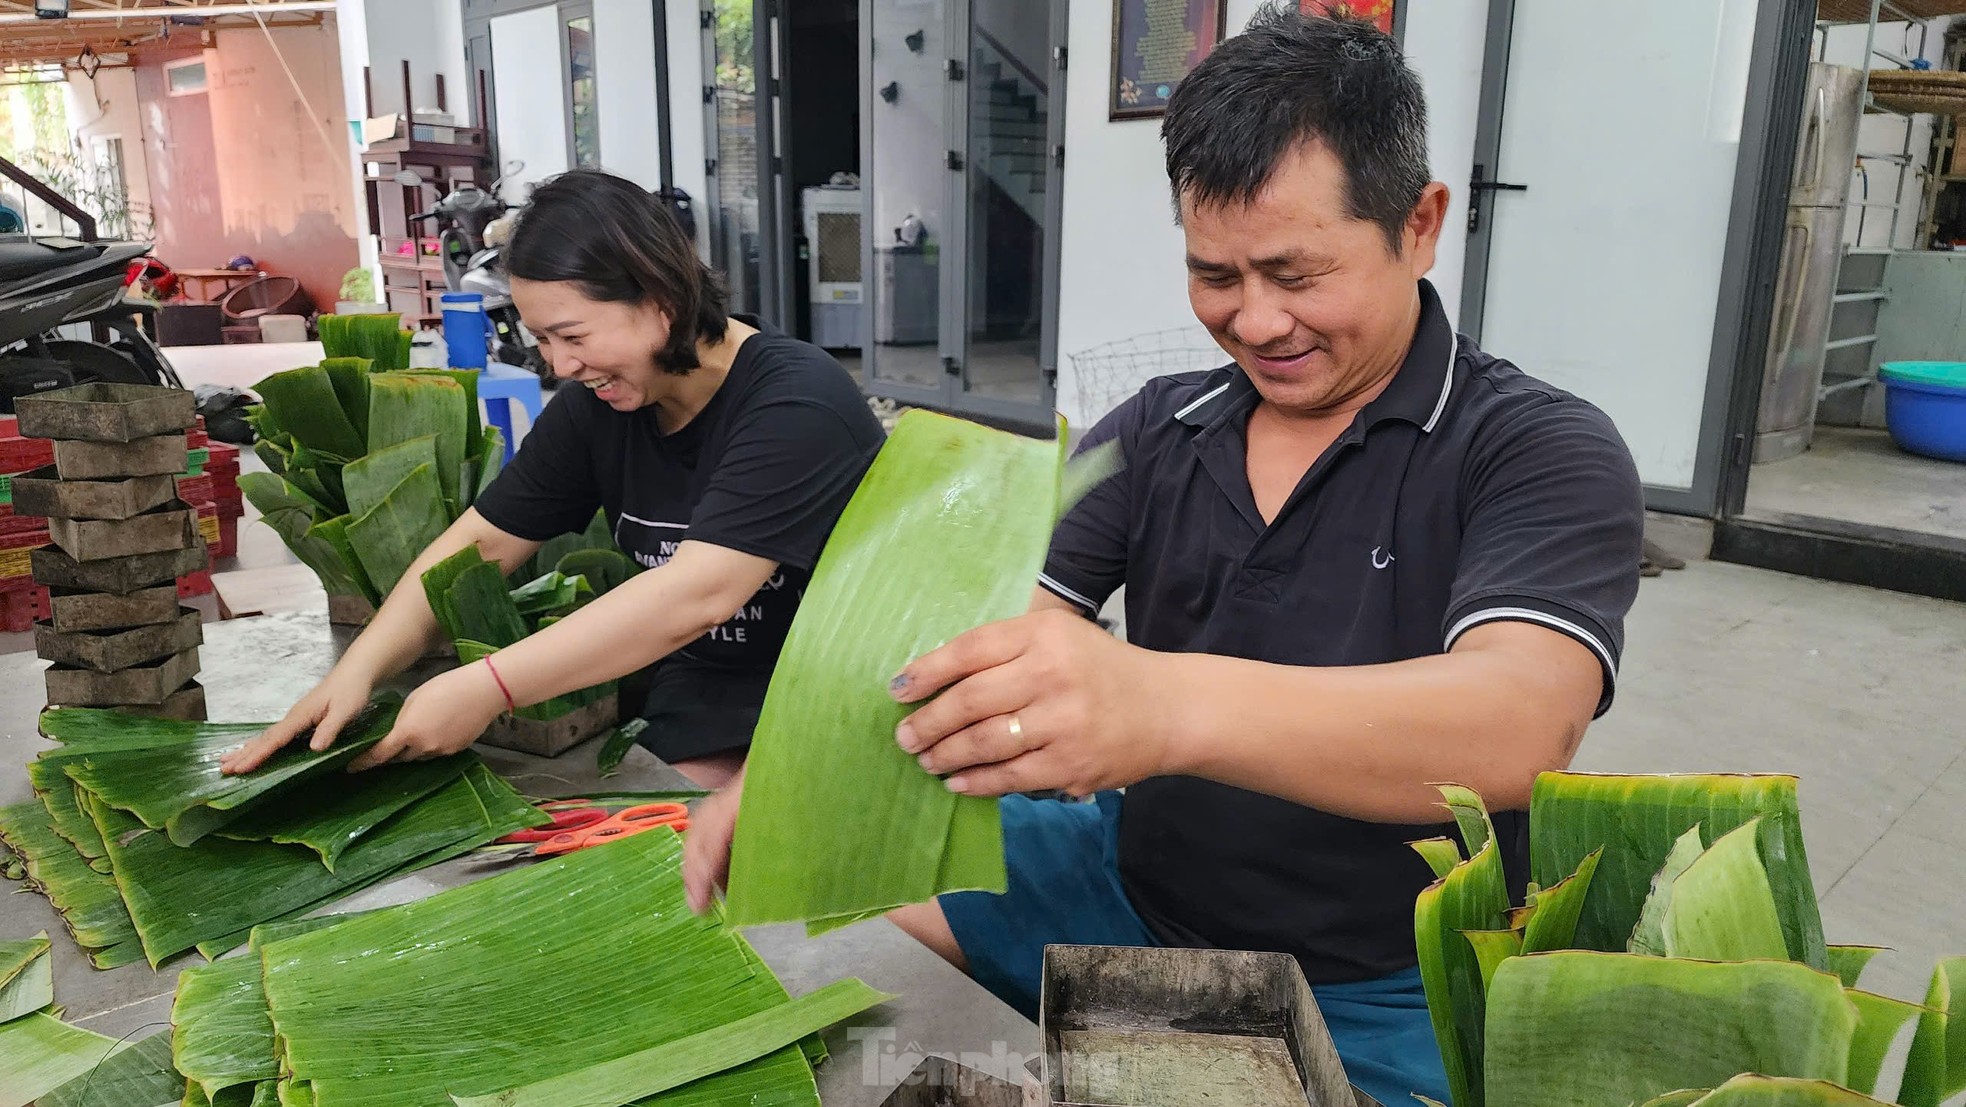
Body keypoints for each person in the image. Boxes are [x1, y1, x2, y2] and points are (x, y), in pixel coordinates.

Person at [682, 10, 1644, 1104]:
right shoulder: (1158, 427)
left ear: (1419, 225)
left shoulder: (1536, 446)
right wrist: (793, 773)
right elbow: (999, 624)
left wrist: (1163, 708)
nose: (1256, 321)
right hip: (1118, 882)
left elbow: (1517, 720)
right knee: (804, 876)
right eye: (1216, 277)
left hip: (1376, 978)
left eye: (1295, 272)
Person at [224, 169, 885, 787]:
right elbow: (479, 545)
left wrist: (488, 687)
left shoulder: (796, 402)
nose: (559, 365)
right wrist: (360, 670)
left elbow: (699, 593)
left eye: (572, 335)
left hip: (832, 690)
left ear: (662, 303)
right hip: (705, 684)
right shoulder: (601, 406)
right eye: (541, 339)